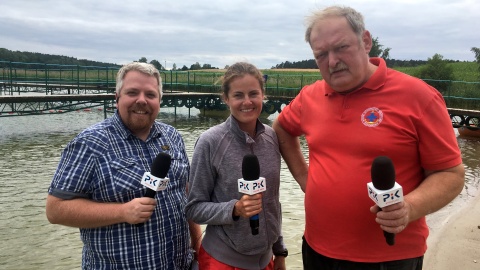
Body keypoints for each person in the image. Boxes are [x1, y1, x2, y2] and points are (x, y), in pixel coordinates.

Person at [272, 5, 465, 270]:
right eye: (321, 55)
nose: (332, 61)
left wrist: (409, 207)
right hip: (318, 248)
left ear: (365, 41)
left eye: (341, 48)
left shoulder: (419, 96)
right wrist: (306, 179)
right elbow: (281, 129)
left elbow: (450, 174)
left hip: (390, 256)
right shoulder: (310, 96)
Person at [45, 62, 202, 269]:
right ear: (117, 97)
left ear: (159, 100)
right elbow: (55, 210)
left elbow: (185, 192)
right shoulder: (90, 143)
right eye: (132, 92)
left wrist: (197, 243)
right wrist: (122, 212)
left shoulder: (172, 136)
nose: (142, 100)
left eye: (150, 94)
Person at [185, 62, 288, 270]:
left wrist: (280, 251)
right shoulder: (210, 142)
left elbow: (273, 202)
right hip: (222, 261)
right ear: (226, 99)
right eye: (238, 95)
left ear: (263, 95)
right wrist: (235, 209)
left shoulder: (272, 137)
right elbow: (193, 208)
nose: (247, 102)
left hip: (266, 260)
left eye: (253, 94)